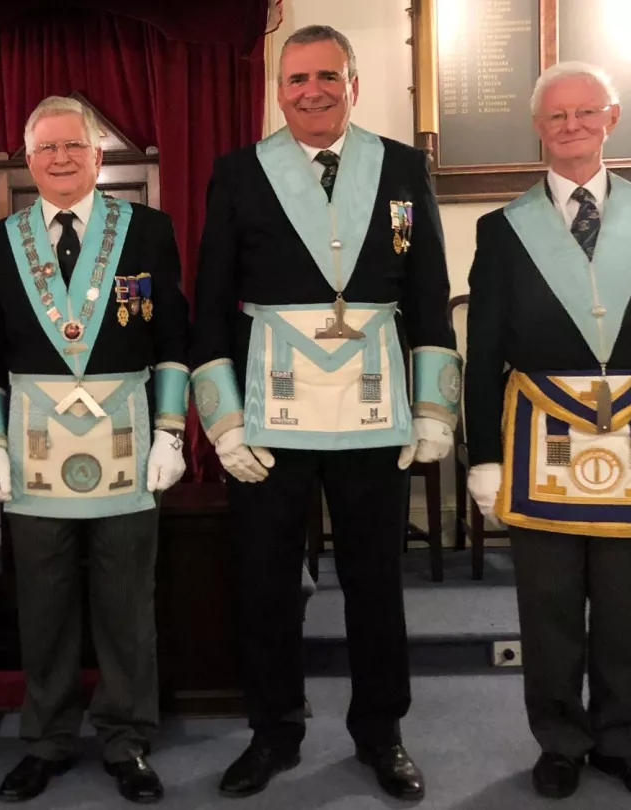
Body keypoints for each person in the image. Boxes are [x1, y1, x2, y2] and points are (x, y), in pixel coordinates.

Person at [189, 24, 459, 802]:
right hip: (272, 412)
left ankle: (382, 732)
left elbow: (429, 294)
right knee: (266, 579)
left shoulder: (403, 168)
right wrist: (223, 418)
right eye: (297, 79)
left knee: (377, 578)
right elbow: (210, 306)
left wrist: (434, 407)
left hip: (375, 410)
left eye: (327, 78)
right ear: (278, 89)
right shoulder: (240, 172)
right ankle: (273, 732)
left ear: (354, 84)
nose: (312, 92)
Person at [465, 62, 631, 807]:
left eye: (584, 114)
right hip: (542, 436)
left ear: (610, 119)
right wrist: (484, 458)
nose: (570, 127)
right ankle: (561, 740)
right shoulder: (503, 229)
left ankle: (629, 742)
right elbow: (484, 354)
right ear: (538, 130)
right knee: (546, 601)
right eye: (555, 117)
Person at [0, 96, 189, 804]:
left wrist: (171, 431)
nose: (61, 159)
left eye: (74, 147)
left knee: (127, 602)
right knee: (43, 602)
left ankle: (127, 739)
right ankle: (48, 739)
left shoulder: (149, 231)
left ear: (98, 157)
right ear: (29, 163)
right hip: (32, 451)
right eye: (46, 149)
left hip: (127, 443)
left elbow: (174, 340)